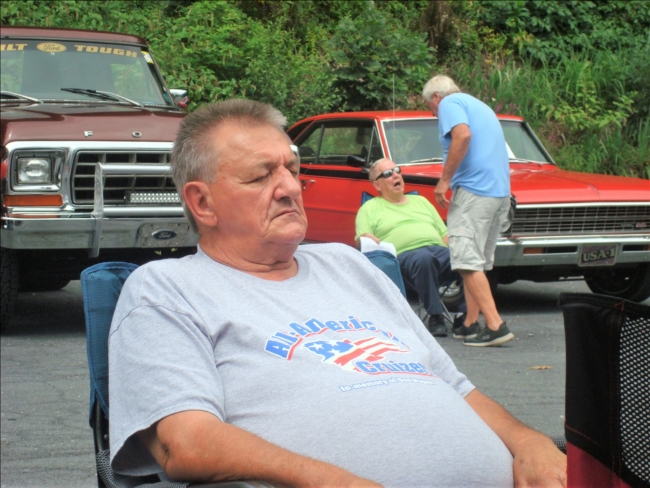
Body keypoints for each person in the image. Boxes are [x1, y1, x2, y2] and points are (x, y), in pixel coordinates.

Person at [108, 99, 566, 487]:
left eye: (292, 169)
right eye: (261, 176)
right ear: (202, 203)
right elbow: (183, 443)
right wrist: (334, 481)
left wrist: (529, 442)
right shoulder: (168, 289)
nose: (290, 188)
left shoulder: (349, 265)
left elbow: (456, 387)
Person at [422, 74, 514, 347]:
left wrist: (444, 181)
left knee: (465, 260)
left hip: (475, 192)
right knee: (477, 263)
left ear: (436, 97)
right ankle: (470, 323)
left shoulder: (450, 104)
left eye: (430, 107)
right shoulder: (478, 105)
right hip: (499, 193)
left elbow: (462, 136)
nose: (433, 113)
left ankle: (496, 325)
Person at [355, 158, 479, 339]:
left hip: (438, 251)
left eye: (397, 170)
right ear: (377, 184)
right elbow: (362, 239)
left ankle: (464, 316)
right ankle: (436, 316)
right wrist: (366, 238)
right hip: (402, 259)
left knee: (469, 258)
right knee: (423, 259)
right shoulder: (369, 208)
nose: (396, 175)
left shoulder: (421, 201)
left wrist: (461, 249)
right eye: (388, 173)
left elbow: (444, 235)